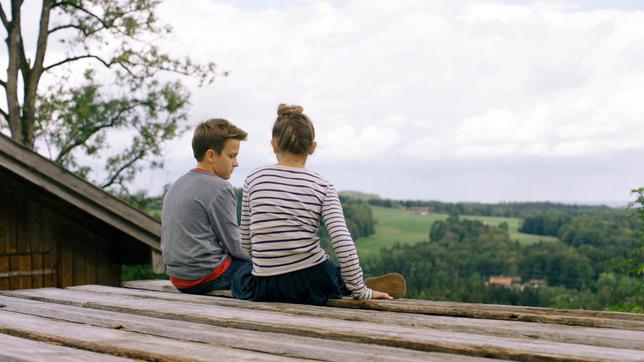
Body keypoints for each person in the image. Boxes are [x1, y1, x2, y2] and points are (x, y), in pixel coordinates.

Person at [232, 104, 405, 305]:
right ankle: (354, 284)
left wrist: (267, 266)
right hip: (310, 282)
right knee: (329, 271)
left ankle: (348, 282)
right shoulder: (322, 185)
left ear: (274, 144)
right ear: (312, 147)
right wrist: (362, 293)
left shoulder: (253, 179)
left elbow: (246, 241)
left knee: (240, 275)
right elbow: (341, 240)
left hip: (265, 286)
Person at [161, 118, 251, 295]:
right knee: (269, 270)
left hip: (178, 277)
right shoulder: (220, 187)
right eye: (231, 156)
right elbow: (235, 244)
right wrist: (262, 259)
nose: (236, 163)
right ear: (211, 155)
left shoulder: (176, 185)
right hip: (207, 275)